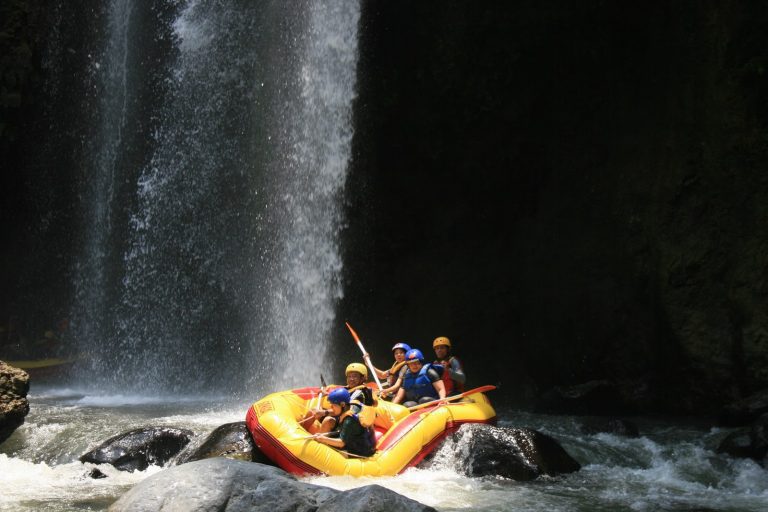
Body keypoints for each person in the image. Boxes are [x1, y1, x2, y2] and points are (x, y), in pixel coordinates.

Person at [311, 388, 376, 457]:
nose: (331, 407)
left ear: (342, 404)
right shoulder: (351, 405)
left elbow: (341, 443)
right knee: (328, 420)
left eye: (333, 405)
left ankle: (318, 453)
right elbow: (337, 411)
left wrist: (323, 439)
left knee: (327, 444)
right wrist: (324, 412)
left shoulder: (350, 420)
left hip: (361, 450)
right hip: (360, 439)